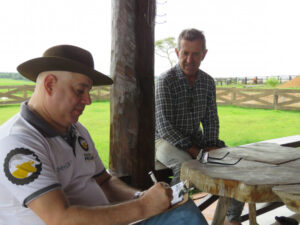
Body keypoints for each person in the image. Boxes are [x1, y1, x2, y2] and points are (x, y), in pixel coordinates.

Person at [0, 45, 209, 225]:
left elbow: (105, 181)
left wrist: (141, 196)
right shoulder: (18, 143)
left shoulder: (76, 130)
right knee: (184, 218)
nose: (88, 100)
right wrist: (144, 206)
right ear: (50, 85)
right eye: (80, 90)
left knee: (184, 211)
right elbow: (60, 219)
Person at [155, 28, 244, 225]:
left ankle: (232, 219)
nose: (190, 59)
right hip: (163, 139)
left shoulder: (207, 82)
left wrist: (211, 144)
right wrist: (196, 150)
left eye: (196, 54)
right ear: (178, 53)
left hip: (195, 137)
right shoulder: (165, 81)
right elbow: (164, 126)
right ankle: (173, 217)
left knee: (234, 161)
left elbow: (211, 119)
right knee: (183, 164)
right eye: (185, 53)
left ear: (204, 54)